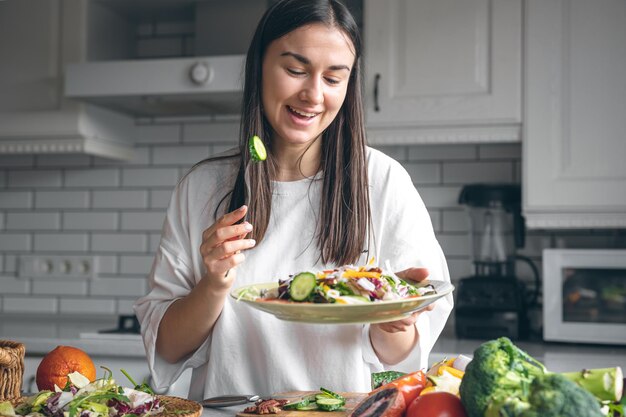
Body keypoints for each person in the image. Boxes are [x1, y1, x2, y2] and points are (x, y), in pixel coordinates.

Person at [134, 0, 452, 400]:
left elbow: (402, 359)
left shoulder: (383, 182)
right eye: (295, 70)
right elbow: (166, 348)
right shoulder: (202, 187)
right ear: (259, 67)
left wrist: (396, 324)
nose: (313, 95)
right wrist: (214, 284)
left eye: (334, 79)